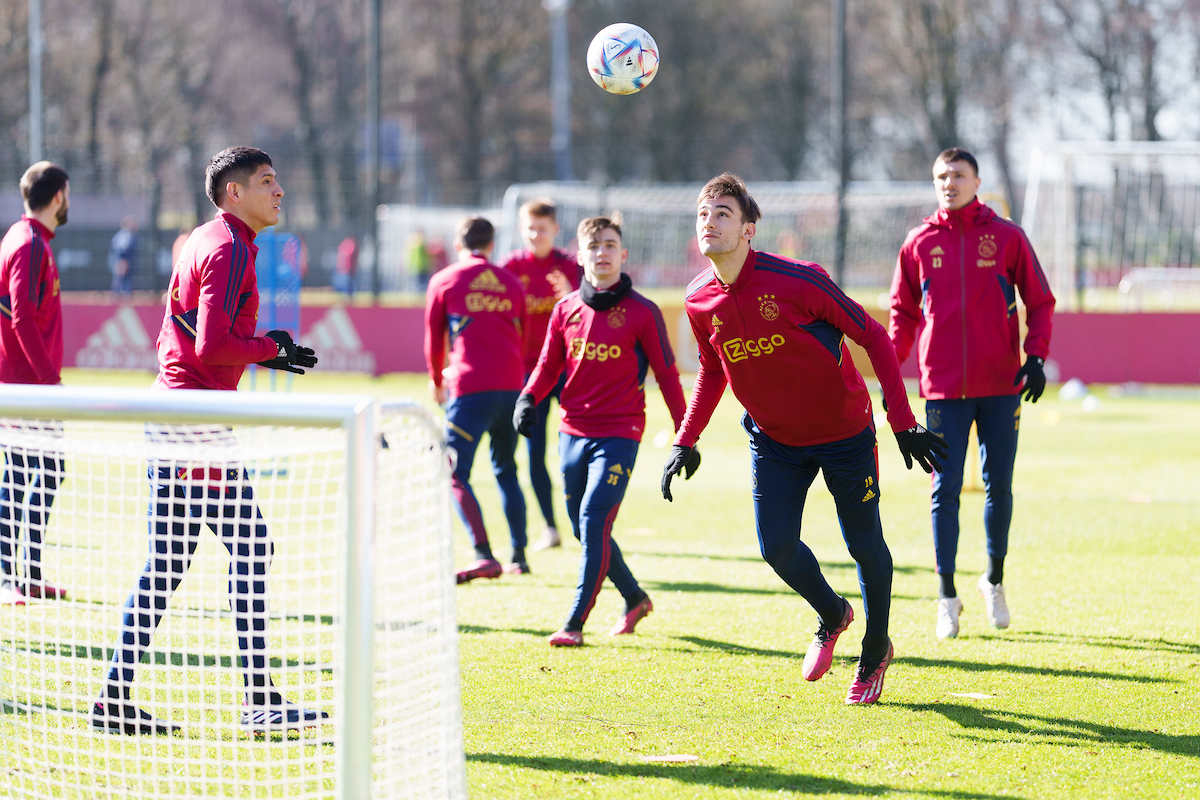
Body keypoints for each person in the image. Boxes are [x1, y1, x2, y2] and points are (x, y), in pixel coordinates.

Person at [661, 173, 947, 705]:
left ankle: (875, 648)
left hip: (845, 435)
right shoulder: (699, 300)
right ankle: (833, 613)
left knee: (864, 544)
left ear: (748, 229)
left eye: (723, 213)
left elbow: (874, 336)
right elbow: (712, 369)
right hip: (774, 440)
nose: (710, 222)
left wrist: (903, 419)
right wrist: (685, 439)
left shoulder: (800, 280)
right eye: (703, 214)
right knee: (776, 548)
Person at [93, 146, 320, 736]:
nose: (279, 190)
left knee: (170, 562)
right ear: (233, 193)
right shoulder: (226, 248)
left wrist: (269, 347)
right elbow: (211, 346)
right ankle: (258, 699)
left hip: (182, 413)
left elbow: (206, 335)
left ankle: (114, 698)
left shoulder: (211, 239)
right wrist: (270, 346)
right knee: (249, 546)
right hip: (191, 423)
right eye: (267, 181)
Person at [888, 147, 1055, 640]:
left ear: (977, 181)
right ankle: (946, 596)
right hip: (941, 389)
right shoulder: (918, 242)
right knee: (944, 490)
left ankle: (994, 580)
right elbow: (902, 314)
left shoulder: (1006, 237)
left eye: (958, 175)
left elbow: (1040, 299)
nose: (949, 182)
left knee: (998, 486)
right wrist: (891, 370)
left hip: (1001, 386)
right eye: (942, 175)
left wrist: (1036, 355)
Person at [514, 214, 686, 647]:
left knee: (592, 519)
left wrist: (687, 434)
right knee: (583, 526)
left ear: (622, 254)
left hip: (621, 431)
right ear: (582, 256)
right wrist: (528, 398)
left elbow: (666, 374)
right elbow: (550, 365)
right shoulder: (565, 309)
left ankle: (574, 621)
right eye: (594, 247)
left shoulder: (643, 311)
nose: (602, 253)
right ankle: (634, 597)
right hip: (572, 430)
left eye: (610, 245)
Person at [425, 216, 529, 582]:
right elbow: (524, 335)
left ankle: (483, 554)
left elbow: (434, 338)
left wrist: (438, 381)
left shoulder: (445, 279)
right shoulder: (512, 283)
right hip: (512, 390)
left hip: (471, 391)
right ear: (491, 245)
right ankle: (519, 554)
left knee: (454, 471)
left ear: (459, 244)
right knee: (506, 469)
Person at [0, 162, 70, 606]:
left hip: (26, 382)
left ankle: (29, 574)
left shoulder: (26, 238)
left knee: (46, 470)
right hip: (26, 385)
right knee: (20, 476)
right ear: (60, 196)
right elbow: (22, 315)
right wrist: (47, 381)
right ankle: (7, 578)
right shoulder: (27, 243)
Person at [500, 198, 580, 552]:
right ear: (521, 229)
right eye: (530, 228)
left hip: (571, 370)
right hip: (530, 374)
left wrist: (572, 295)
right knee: (534, 452)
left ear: (555, 230)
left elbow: (592, 310)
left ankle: (584, 523)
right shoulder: (509, 268)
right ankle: (549, 527)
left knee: (575, 450)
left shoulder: (571, 267)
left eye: (542, 229)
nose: (536, 234)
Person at [109, 216, 139, 297]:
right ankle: (119, 296)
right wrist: (122, 261)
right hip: (123, 261)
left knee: (123, 280)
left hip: (124, 261)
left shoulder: (125, 234)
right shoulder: (125, 235)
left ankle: (120, 295)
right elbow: (121, 250)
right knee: (121, 280)